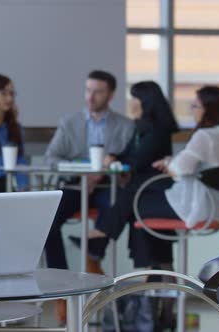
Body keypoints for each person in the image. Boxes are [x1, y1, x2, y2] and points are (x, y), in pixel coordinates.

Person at [43, 70, 134, 323]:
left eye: (98, 92)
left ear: (111, 95)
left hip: (108, 188)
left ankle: (93, 259)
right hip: (75, 187)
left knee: (113, 211)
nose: (91, 97)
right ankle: (61, 290)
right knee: (49, 220)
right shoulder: (69, 122)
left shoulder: (125, 126)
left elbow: (130, 166)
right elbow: (51, 159)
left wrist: (105, 171)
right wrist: (85, 170)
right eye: (88, 90)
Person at [69, 81, 179, 269]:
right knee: (129, 195)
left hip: (154, 189)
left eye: (134, 98)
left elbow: (138, 160)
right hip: (141, 188)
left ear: (145, 102)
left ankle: (100, 237)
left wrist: (116, 161)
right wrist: (114, 157)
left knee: (130, 195)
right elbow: (129, 155)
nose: (130, 103)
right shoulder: (142, 128)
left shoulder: (158, 130)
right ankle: (99, 242)